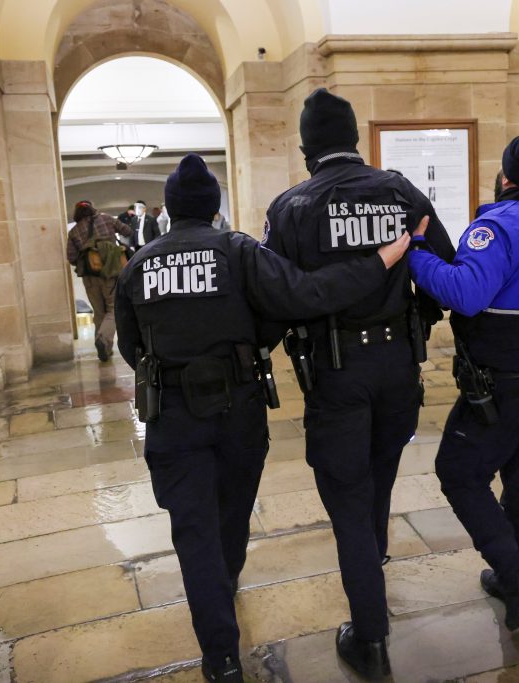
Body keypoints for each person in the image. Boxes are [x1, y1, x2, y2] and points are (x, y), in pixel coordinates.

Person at [115, 153, 411, 683]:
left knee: (194, 530)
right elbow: (302, 296)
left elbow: (130, 346)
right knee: (230, 519)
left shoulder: (140, 263)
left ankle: (221, 657)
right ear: (213, 208)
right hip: (238, 409)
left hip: (174, 416)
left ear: (170, 209)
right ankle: (222, 588)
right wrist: (380, 261)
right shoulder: (237, 251)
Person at [261, 88, 454, 679]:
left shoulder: (291, 206)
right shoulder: (398, 191)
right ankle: (374, 566)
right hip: (399, 368)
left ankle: (369, 635)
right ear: (356, 141)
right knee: (379, 480)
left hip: (336, 373)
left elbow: (277, 295)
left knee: (347, 496)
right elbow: (442, 262)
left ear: (305, 149)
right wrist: (413, 314)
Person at [407, 133, 519, 631]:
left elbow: (465, 294)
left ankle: (517, 578)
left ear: (507, 177)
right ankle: (517, 588)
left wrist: (417, 252)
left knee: (459, 472)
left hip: (509, 383)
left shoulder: (502, 223)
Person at [66, 200, 132, 361]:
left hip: (89, 276)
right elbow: (127, 231)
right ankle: (103, 340)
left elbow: (71, 257)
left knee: (99, 312)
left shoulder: (74, 231)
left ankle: (104, 350)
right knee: (113, 309)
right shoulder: (107, 219)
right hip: (110, 272)